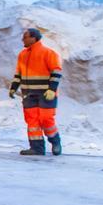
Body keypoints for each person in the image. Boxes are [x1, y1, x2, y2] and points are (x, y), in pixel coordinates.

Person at [10, 28, 63, 156]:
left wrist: (52, 89)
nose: (23, 39)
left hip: (46, 93)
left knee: (46, 119)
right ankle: (37, 148)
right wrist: (13, 87)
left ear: (34, 38)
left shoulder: (48, 53)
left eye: (25, 37)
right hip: (28, 93)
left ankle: (55, 142)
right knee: (32, 121)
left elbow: (56, 72)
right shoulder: (22, 54)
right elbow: (19, 73)